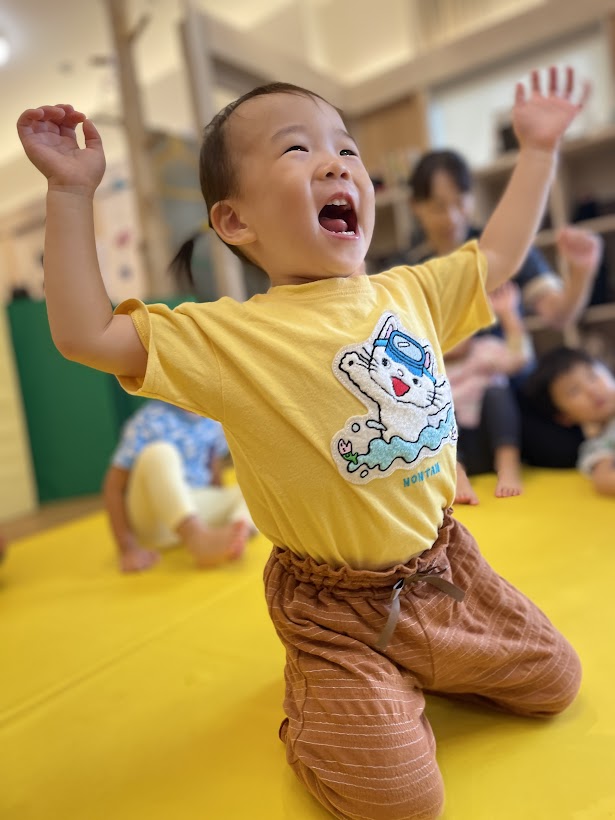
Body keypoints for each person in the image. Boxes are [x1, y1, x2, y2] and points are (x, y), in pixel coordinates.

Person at [17, 67, 586, 820]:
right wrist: (69, 194)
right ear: (234, 222)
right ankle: (329, 702)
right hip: (334, 608)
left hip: (443, 569)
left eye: (345, 149)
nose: (335, 163)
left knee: (555, 682)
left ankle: (415, 665)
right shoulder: (230, 335)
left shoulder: (408, 291)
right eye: (296, 150)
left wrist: (538, 152)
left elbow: (500, 258)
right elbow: (84, 333)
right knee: (400, 804)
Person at [405, 147, 602, 472]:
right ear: (416, 207)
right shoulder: (407, 268)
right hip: (448, 399)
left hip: (510, 387)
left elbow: (559, 314)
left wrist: (581, 275)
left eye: (460, 201)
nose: (452, 216)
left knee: (563, 450)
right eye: (439, 206)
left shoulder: (499, 250)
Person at [103, 399, 252, 573]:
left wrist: (220, 506)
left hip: (194, 507)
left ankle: (238, 529)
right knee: (159, 452)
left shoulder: (212, 420)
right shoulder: (148, 420)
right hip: (154, 520)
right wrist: (127, 548)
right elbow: (114, 487)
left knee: (254, 492)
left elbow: (213, 469)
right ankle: (195, 537)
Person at [445, 281, 533, 502]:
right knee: (436, 409)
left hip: (490, 441)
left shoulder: (484, 350)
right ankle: (456, 474)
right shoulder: (430, 363)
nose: (453, 338)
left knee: (497, 392)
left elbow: (519, 359)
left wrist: (508, 314)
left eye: (460, 330)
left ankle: (508, 465)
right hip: (452, 451)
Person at [524, 346, 615, 496]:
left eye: (592, 376)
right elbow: (605, 480)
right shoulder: (599, 446)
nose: (591, 390)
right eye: (574, 391)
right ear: (564, 417)